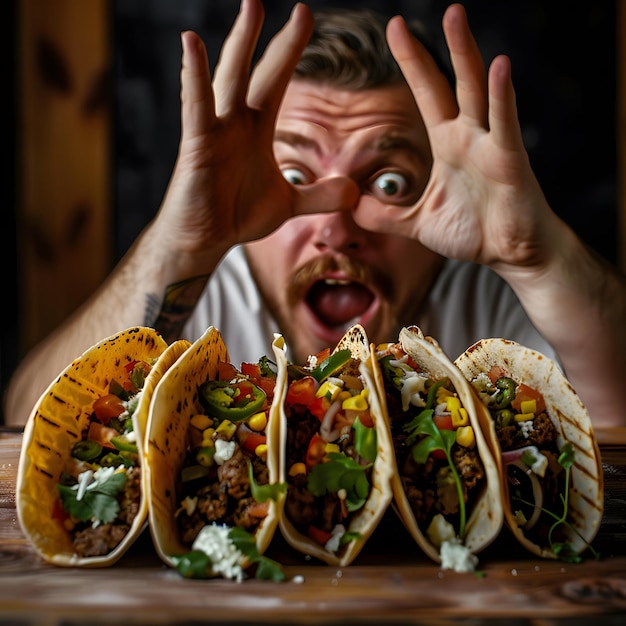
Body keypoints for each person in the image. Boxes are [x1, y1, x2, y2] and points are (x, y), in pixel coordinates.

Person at [4, 0, 626, 428]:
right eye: (296, 178)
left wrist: (538, 259)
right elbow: (28, 426)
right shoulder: (202, 294)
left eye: (388, 181)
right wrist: (180, 243)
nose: (337, 229)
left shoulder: (488, 301)